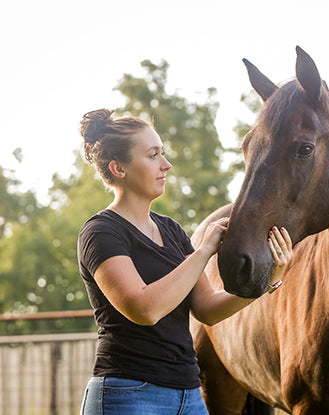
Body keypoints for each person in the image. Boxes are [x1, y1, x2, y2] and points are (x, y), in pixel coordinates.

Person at [77, 109, 293, 415]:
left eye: (162, 153)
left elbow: (207, 309)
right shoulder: (101, 232)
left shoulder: (172, 230)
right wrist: (204, 250)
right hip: (128, 395)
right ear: (118, 168)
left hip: (189, 396)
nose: (166, 164)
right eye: (153, 155)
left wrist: (268, 280)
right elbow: (144, 309)